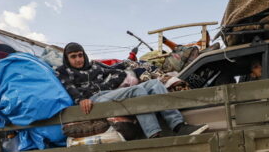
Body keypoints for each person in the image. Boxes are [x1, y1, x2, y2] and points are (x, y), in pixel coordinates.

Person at [56, 42, 208, 139]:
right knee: (136, 92)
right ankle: (154, 134)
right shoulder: (64, 71)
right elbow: (69, 87)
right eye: (73, 57)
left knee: (155, 84)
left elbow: (119, 72)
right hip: (95, 100)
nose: (78, 60)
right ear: (67, 58)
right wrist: (81, 100)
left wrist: (108, 85)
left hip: (107, 93)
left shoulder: (95, 65)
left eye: (80, 55)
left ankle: (178, 126)